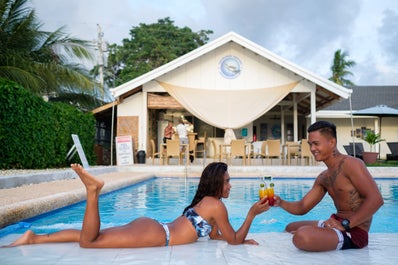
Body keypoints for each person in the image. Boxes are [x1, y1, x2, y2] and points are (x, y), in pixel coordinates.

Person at [7, 162, 270, 248]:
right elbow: (233, 239)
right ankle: (93, 191)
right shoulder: (216, 205)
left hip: (153, 228)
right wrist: (251, 214)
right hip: (156, 234)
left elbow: (216, 235)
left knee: (96, 236)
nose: (230, 186)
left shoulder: (206, 202)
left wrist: (237, 239)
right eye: (227, 181)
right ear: (216, 183)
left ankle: (35, 238)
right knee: (90, 242)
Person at [274, 120, 384, 252]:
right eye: (310, 144)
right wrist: (280, 202)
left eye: (316, 144)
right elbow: (302, 207)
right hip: (336, 222)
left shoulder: (351, 164)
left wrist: (345, 225)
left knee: (302, 236)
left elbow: (376, 199)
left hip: (354, 231)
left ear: (332, 142)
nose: (312, 149)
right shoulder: (324, 177)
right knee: (291, 227)